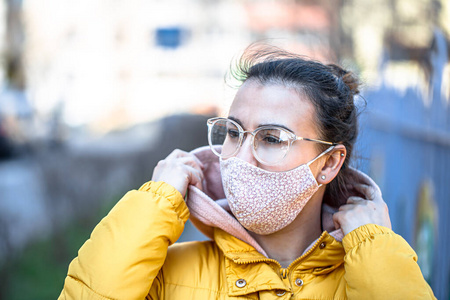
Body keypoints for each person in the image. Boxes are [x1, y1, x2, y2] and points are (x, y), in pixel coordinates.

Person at [59, 45, 436, 299]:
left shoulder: (367, 276)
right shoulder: (161, 274)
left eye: (272, 138)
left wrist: (376, 251)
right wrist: (154, 204)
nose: (240, 156)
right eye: (233, 133)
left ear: (328, 163)